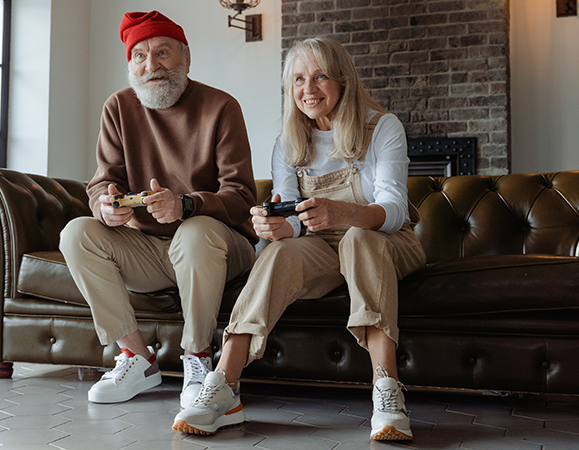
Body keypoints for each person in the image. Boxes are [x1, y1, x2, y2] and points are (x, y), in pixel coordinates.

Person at [172, 37, 426, 441]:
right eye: (298, 80)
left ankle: (387, 390)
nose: (308, 89)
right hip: (324, 245)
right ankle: (223, 386)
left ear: (342, 80)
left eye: (320, 76)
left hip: (383, 240)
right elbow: (293, 222)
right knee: (278, 253)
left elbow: (394, 211)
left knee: (358, 239)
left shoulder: (382, 127)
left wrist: (343, 213)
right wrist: (275, 227)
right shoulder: (288, 143)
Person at [59, 11, 257, 409]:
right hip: (151, 251)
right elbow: (101, 182)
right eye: (140, 56)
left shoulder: (221, 107)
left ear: (186, 58)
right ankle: (137, 358)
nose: (152, 66)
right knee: (76, 233)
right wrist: (106, 205)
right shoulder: (118, 107)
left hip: (219, 247)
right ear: (130, 65)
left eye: (163, 53)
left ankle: (198, 359)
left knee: (195, 231)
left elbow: (241, 197)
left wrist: (186, 205)